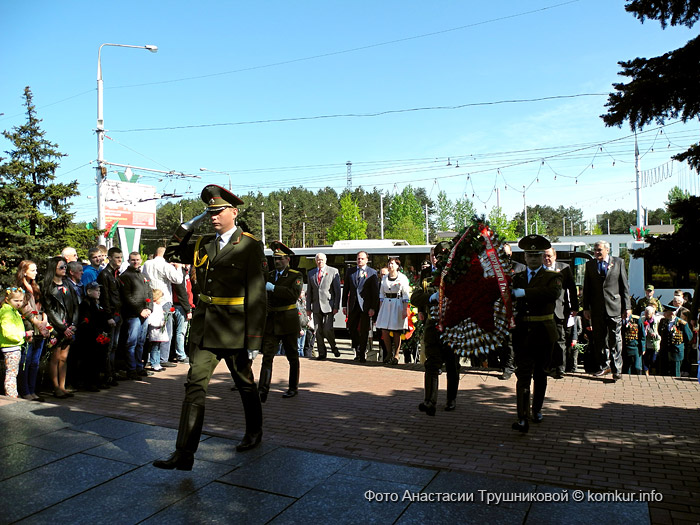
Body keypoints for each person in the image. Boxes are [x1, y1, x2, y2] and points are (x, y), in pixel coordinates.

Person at [153, 184, 266, 471]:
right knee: (194, 386)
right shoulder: (203, 242)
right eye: (210, 212)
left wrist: (254, 340)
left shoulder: (250, 245)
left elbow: (256, 294)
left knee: (244, 383)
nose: (214, 216)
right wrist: (191, 223)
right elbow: (173, 253)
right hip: (206, 329)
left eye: (218, 211)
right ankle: (184, 452)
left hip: (234, 329)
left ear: (234, 212)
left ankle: (254, 431)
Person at [510, 234, 562, 433]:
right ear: (524, 258)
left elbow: (552, 294)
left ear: (542, 257)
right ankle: (522, 417)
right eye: (529, 256)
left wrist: (525, 293)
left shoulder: (553, 276)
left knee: (540, 375)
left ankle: (536, 409)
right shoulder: (518, 278)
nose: (532, 259)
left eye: (536, 256)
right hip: (523, 333)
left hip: (543, 333)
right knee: (523, 376)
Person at [411, 242, 461, 415]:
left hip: (452, 327)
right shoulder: (427, 277)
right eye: (439, 257)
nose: (441, 260)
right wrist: (430, 297)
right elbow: (415, 297)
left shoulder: (458, 276)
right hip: (433, 326)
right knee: (431, 364)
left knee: (452, 365)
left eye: (445, 257)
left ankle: (451, 399)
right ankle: (429, 401)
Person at [259, 241, 303, 402]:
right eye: (275, 259)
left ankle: (293, 387)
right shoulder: (269, 275)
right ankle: (262, 389)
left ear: (288, 259)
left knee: (292, 356)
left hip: (288, 321)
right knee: (267, 357)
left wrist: (274, 289)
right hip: (271, 321)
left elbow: (293, 294)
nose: (277, 262)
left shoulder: (295, 275)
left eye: (280, 259)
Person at [582, 240, 631, 381]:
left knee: (615, 338)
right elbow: (587, 288)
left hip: (615, 307)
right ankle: (604, 366)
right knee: (600, 339)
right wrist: (586, 307)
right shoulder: (590, 265)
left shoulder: (618, 262)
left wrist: (626, 307)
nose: (596, 252)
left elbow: (624, 287)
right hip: (597, 309)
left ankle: (617, 369)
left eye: (599, 250)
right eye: (595, 250)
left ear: (607, 250)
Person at [42, 256, 80, 399]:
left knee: (64, 357)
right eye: (61, 267)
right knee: (55, 357)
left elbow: (76, 304)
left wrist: (74, 325)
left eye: (65, 267)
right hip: (57, 327)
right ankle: (55, 387)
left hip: (69, 326)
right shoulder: (48, 286)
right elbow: (50, 310)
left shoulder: (68, 284)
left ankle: (63, 387)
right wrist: (63, 327)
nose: (65, 269)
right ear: (54, 269)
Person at [141, 246, 183, 369]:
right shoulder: (166, 266)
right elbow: (178, 279)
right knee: (165, 330)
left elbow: (144, 278)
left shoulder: (147, 263)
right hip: (164, 299)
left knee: (151, 330)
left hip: (151, 297)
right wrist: (179, 268)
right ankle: (163, 358)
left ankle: (150, 358)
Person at [15, 260, 50, 401]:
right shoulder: (19, 288)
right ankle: (25, 391)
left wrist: (45, 323)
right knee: (26, 360)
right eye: (33, 270)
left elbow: (43, 306)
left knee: (35, 362)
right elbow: (24, 308)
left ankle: (33, 389)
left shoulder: (35, 287)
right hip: (29, 328)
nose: (36, 272)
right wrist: (38, 323)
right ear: (24, 271)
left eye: (36, 270)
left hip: (39, 329)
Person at [543, 247, 579, 379]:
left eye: (549, 256)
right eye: (545, 256)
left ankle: (560, 368)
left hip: (559, 310)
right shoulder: (539, 270)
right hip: (543, 310)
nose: (547, 259)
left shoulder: (564, 268)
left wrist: (574, 307)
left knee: (560, 340)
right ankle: (546, 366)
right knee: (545, 340)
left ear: (555, 256)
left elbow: (572, 288)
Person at [119, 252, 154, 380]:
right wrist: (140, 310)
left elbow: (150, 292)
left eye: (138, 260)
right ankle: (131, 369)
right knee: (131, 342)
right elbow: (127, 297)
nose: (135, 262)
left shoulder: (143, 275)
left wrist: (149, 308)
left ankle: (140, 367)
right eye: (133, 260)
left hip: (145, 313)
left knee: (141, 342)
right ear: (128, 260)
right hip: (133, 314)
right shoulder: (126, 276)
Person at [342, 251, 379, 363]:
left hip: (366, 306)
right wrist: (344, 305)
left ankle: (362, 352)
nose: (360, 261)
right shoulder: (350, 271)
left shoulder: (372, 273)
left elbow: (375, 292)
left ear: (367, 260)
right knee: (352, 329)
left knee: (364, 331)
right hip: (353, 305)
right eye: (358, 259)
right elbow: (346, 289)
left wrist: (373, 307)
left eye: (362, 259)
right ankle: (357, 349)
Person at [75, 281, 111, 391]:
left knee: (99, 360)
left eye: (99, 290)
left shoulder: (98, 304)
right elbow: (86, 321)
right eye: (96, 290)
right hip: (90, 337)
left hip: (99, 335)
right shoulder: (86, 304)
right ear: (89, 291)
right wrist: (96, 333)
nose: (99, 292)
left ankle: (97, 381)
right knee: (89, 361)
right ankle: (88, 383)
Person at [306, 253, 341, 360]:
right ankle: (322, 353)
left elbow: (337, 291)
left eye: (321, 260)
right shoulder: (311, 273)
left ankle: (333, 347)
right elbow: (309, 292)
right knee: (318, 330)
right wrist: (308, 308)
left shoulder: (333, 271)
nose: (320, 262)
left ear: (325, 260)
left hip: (328, 306)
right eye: (318, 260)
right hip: (316, 306)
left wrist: (336, 306)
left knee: (327, 329)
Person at [375, 256, 410, 365]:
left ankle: (396, 354)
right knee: (384, 330)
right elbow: (381, 293)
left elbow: (405, 294)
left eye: (393, 264)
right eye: (389, 263)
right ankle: (388, 353)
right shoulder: (384, 278)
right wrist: (381, 308)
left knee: (396, 331)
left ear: (398, 266)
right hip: (386, 304)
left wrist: (405, 309)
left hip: (397, 304)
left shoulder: (402, 278)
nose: (390, 265)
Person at [97, 247, 123, 386]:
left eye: (121, 257)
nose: (120, 260)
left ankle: (111, 372)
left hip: (118, 313)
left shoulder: (115, 274)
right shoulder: (105, 274)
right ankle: (107, 375)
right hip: (111, 314)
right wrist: (108, 315)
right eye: (117, 257)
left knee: (114, 346)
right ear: (110, 258)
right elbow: (105, 297)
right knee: (109, 346)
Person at [1, 288, 32, 398]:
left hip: (14, 346)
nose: (19, 303)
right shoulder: (7, 312)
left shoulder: (13, 311)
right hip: (10, 347)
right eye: (16, 301)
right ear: (7, 299)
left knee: (13, 371)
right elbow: (8, 332)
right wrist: (24, 334)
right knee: (11, 372)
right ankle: (11, 394)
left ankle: (12, 393)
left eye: (21, 301)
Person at [659, 304, 692, 377]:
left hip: (676, 351)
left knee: (675, 373)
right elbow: (660, 332)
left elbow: (689, 336)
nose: (664, 314)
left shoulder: (682, 323)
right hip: (665, 351)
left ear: (671, 313)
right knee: (663, 373)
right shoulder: (663, 321)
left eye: (666, 312)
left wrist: (680, 344)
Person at [170, 263, 194, 364]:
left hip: (179, 305)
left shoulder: (183, 273)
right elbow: (182, 292)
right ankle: (181, 355)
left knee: (177, 331)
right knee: (181, 332)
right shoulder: (179, 273)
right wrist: (188, 309)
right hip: (181, 306)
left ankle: (175, 353)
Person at [146, 288, 170, 372]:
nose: (161, 300)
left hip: (159, 331)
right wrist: (159, 323)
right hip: (155, 330)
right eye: (160, 298)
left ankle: (157, 363)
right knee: (154, 347)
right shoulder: (153, 307)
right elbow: (151, 320)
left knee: (158, 347)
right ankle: (154, 363)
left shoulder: (158, 307)